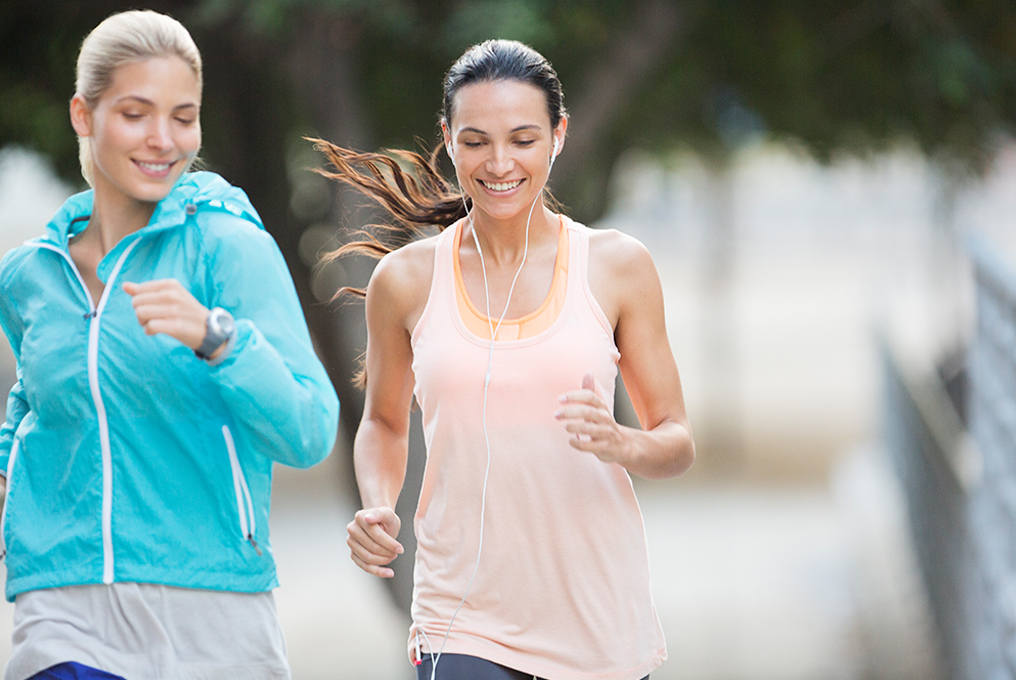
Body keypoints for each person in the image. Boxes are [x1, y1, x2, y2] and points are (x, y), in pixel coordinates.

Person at [317, 39, 694, 680]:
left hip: (597, 620)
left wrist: (624, 444)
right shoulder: (405, 280)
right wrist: (377, 502)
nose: (499, 164)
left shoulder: (618, 266)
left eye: (523, 139)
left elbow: (676, 440)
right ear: (448, 138)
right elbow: (382, 422)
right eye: (475, 141)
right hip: (461, 620)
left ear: (559, 135)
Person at [0, 10, 339, 680]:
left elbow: (309, 430)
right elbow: (34, 399)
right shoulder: (30, 274)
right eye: (135, 113)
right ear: (82, 114)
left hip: (211, 613)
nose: (163, 139)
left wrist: (220, 340)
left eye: (183, 117)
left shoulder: (228, 248)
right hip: (62, 603)